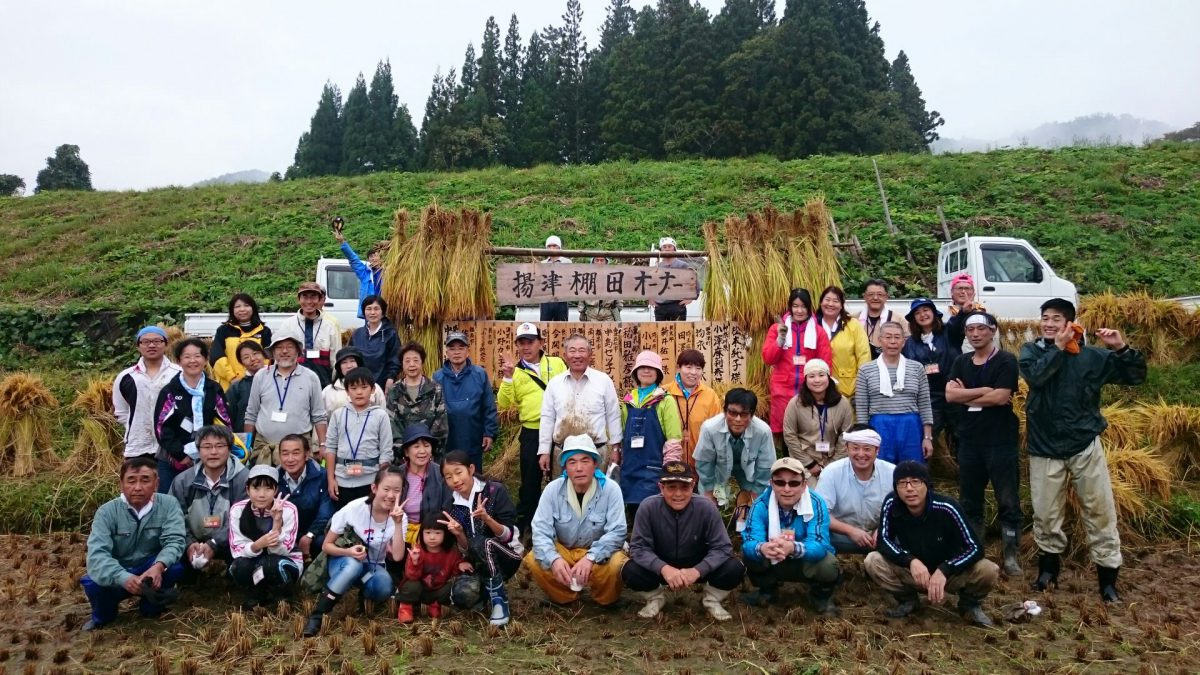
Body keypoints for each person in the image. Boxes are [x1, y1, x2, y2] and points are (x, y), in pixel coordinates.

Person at [1020, 298, 1146, 602]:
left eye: (1056, 319)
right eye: (1045, 318)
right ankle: (1048, 572)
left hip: (1084, 443)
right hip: (1044, 445)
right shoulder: (1031, 352)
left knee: (1100, 511)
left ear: (1071, 324)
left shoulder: (1092, 357)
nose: (1049, 324)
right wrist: (1059, 349)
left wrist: (1120, 348)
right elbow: (1036, 377)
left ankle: (1108, 580)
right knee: (1046, 514)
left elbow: (1135, 376)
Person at [865, 461, 997, 626]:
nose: (909, 488)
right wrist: (910, 561)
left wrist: (945, 569)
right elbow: (883, 540)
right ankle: (907, 600)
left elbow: (975, 548)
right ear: (896, 487)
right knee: (873, 560)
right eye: (902, 483)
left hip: (949, 575)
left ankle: (969, 605)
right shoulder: (892, 503)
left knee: (988, 570)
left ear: (926, 484)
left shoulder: (947, 507)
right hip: (914, 573)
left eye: (915, 481)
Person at [945, 312, 1022, 576]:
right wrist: (982, 392)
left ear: (992, 331)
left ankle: (1010, 555)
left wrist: (966, 395)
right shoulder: (961, 361)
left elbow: (1001, 397)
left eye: (981, 329)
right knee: (970, 500)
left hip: (1000, 441)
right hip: (969, 441)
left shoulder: (1006, 360)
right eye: (970, 330)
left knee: (1008, 499)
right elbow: (950, 394)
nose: (975, 334)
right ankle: (974, 552)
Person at [623, 461, 745, 621]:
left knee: (734, 568)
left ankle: (712, 600)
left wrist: (697, 570)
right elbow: (638, 548)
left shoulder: (707, 507)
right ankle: (655, 598)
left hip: (697, 563)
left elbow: (722, 547)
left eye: (684, 487)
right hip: (661, 565)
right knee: (629, 570)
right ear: (661, 487)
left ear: (693, 485)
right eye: (671, 487)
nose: (678, 494)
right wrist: (664, 569)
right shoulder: (648, 507)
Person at [81, 456, 186, 631]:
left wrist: (159, 566)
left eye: (145, 480)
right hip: (118, 571)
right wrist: (124, 577)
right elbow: (97, 556)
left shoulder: (168, 504)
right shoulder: (106, 512)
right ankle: (102, 616)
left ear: (156, 483)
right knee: (94, 583)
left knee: (174, 567)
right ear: (121, 484)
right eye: (131, 480)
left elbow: (175, 540)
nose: (138, 487)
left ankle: (152, 606)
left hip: (149, 568)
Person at [302, 466, 408, 637]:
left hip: (372, 567)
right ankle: (318, 614)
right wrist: (350, 552)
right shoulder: (354, 509)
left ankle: (362, 598)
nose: (390, 495)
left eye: (396, 490)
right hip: (342, 561)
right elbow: (326, 546)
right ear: (374, 488)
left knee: (384, 587)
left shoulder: (400, 517)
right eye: (386, 489)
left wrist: (397, 523)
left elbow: (397, 556)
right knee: (353, 566)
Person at [524, 435, 627, 608]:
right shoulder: (552, 490)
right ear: (564, 467)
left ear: (595, 464)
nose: (579, 468)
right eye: (572, 462)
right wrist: (554, 559)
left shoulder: (611, 489)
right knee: (535, 558)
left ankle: (605, 598)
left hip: (597, 555)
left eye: (585, 461)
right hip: (565, 552)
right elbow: (540, 531)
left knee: (617, 563)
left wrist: (590, 558)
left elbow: (617, 532)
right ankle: (564, 596)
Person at [740, 457, 840, 615]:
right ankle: (767, 591)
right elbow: (750, 540)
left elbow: (820, 543)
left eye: (793, 483)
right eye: (780, 483)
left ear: (804, 484)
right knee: (750, 554)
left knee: (828, 564)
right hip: (774, 557)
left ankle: (820, 597)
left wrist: (793, 547)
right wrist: (763, 547)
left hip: (805, 560)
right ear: (772, 484)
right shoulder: (760, 505)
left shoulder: (816, 503)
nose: (787, 489)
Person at [497, 322, 567, 536]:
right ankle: (527, 527)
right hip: (532, 432)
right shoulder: (515, 372)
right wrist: (508, 377)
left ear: (541, 343)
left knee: (563, 477)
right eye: (522, 343)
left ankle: (562, 525)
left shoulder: (556, 363)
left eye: (531, 342)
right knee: (530, 482)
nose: (526, 347)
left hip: (560, 429)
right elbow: (505, 402)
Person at [438, 450, 523, 626]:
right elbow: (465, 550)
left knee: (480, 541)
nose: (455, 480)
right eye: (448, 476)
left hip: (507, 555)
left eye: (458, 472)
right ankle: (485, 593)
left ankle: (499, 601)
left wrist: (487, 519)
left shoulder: (494, 491)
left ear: (470, 469)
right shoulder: (450, 506)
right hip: (479, 562)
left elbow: (508, 535)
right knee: (462, 595)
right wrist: (459, 533)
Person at [154, 338, 233, 491]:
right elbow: (161, 427)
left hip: (209, 457)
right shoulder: (170, 390)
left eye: (197, 356)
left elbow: (225, 422)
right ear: (179, 361)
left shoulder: (213, 389)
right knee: (170, 501)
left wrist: (213, 451)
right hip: (173, 459)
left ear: (205, 359)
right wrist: (180, 455)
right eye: (187, 357)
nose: (192, 361)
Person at [243, 324, 329, 465]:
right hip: (264, 447)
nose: (284, 351)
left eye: (289, 347)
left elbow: (319, 415)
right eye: (279, 347)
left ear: (297, 351)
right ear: (272, 352)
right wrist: (246, 446)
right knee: (265, 486)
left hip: (298, 449)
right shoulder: (261, 376)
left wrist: (323, 444)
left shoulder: (310, 377)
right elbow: (251, 413)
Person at [538, 334, 622, 475]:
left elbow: (613, 415)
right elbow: (547, 418)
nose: (577, 355)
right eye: (572, 351)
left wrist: (615, 448)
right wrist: (544, 451)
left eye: (582, 350)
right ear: (565, 355)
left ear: (590, 354)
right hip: (563, 453)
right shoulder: (555, 384)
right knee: (563, 494)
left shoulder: (603, 381)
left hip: (596, 453)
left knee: (596, 494)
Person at [169, 425, 249, 573]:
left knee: (244, 565)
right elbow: (173, 518)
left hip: (231, 541)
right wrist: (189, 544)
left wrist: (214, 543)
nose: (213, 452)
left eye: (220, 446)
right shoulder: (182, 481)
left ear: (230, 448)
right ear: (198, 450)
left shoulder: (244, 479)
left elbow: (243, 519)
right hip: (194, 541)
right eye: (207, 446)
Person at [854, 322, 934, 464]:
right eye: (888, 337)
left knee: (912, 470)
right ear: (880, 340)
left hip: (911, 426)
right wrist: (864, 438)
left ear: (904, 342)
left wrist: (927, 438)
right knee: (881, 470)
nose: (892, 342)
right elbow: (861, 407)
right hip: (879, 425)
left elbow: (925, 404)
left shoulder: (917, 368)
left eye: (897, 337)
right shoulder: (865, 370)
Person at [620, 351, 684, 523]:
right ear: (635, 372)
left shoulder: (665, 400)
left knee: (653, 514)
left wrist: (669, 469)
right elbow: (622, 433)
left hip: (654, 468)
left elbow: (673, 437)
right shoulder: (628, 401)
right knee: (633, 513)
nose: (646, 371)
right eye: (642, 367)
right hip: (631, 467)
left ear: (658, 373)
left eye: (651, 368)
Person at [762, 288, 833, 443]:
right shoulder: (777, 329)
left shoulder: (818, 332)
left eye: (803, 306)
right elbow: (768, 358)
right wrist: (780, 338)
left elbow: (825, 365)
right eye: (795, 306)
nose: (799, 310)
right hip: (782, 389)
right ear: (790, 307)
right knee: (785, 436)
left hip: (809, 391)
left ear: (809, 307)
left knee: (808, 434)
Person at [227, 465, 303, 610]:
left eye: (268, 488)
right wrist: (258, 545)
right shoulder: (237, 509)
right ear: (247, 489)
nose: (261, 494)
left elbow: (284, 550)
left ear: (275, 490)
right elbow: (236, 549)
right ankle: (256, 595)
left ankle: (283, 598)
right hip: (253, 559)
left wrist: (276, 522)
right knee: (239, 566)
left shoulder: (288, 509)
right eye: (256, 488)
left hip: (282, 560)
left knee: (271, 564)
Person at [813, 425, 895, 554]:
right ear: (847, 448)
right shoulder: (832, 472)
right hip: (842, 536)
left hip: (881, 534)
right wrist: (850, 531)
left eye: (867, 449)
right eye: (855, 448)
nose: (861, 454)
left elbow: (901, 509)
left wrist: (883, 529)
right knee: (817, 536)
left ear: (877, 450)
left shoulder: (892, 472)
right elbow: (820, 513)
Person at [694, 388, 775, 516]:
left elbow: (766, 466)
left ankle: (745, 526)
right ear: (725, 411)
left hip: (748, 470)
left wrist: (755, 494)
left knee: (757, 505)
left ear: (752, 414)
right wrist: (709, 491)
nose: (737, 419)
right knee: (707, 506)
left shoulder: (763, 431)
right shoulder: (710, 428)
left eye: (743, 414)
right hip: (718, 467)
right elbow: (704, 462)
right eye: (732, 413)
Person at [326, 367, 394, 508]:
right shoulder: (338, 415)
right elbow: (331, 448)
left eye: (364, 387)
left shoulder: (381, 415)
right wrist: (331, 479)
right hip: (342, 480)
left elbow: (386, 451)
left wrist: (381, 483)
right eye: (353, 388)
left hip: (370, 480)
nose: (359, 392)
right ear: (347, 391)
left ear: (373, 389)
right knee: (344, 524)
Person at [434, 331, 498, 471]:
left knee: (473, 478)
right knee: (448, 478)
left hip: (473, 438)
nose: (456, 352)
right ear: (447, 352)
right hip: (446, 440)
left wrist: (489, 433)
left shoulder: (479, 374)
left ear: (468, 351)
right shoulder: (437, 377)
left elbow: (488, 406)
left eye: (461, 348)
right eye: (452, 348)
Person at [902, 298, 960, 452]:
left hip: (955, 394)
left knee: (960, 438)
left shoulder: (949, 332)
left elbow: (960, 321)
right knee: (926, 439)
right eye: (917, 313)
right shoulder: (910, 343)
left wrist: (965, 310)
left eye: (926, 310)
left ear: (934, 313)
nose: (922, 315)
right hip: (929, 398)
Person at [114, 326, 181, 459]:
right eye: (145, 342)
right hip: (138, 445)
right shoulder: (126, 377)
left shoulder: (179, 374)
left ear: (166, 345)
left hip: (173, 446)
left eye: (157, 341)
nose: (151, 345)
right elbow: (121, 412)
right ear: (138, 346)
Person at [782, 359, 854, 483]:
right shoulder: (795, 403)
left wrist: (833, 464)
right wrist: (809, 464)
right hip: (803, 462)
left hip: (834, 460)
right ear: (806, 379)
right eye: (811, 376)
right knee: (812, 495)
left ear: (828, 377)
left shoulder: (842, 403)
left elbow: (846, 435)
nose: (817, 380)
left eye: (821, 375)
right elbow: (789, 435)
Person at [397, 516, 473, 623]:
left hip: (437, 589)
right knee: (412, 584)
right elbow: (411, 576)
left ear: (445, 534)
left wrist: (461, 564)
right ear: (422, 534)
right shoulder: (417, 550)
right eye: (428, 533)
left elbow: (455, 566)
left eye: (437, 533)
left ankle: (434, 605)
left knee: (451, 587)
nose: (432, 537)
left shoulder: (451, 552)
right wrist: (414, 562)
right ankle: (405, 607)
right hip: (420, 590)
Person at [275, 434, 333, 560]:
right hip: (284, 534)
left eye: (296, 453)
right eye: (285, 454)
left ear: (306, 455)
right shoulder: (273, 478)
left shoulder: (322, 476)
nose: (290, 459)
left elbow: (325, 514)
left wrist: (309, 536)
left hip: (314, 533)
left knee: (323, 542)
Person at [388, 342, 449, 459]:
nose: (412, 364)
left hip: (431, 456)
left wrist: (426, 450)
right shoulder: (394, 391)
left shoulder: (435, 388)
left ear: (422, 362)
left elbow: (441, 424)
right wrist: (405, 452)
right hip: (402, 458)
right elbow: (392, 424)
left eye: (416, 360)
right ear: (402, 364)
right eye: (407, 361)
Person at [664, 349, 723, 470]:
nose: (693, 372)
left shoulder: (710, 395)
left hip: (702, 466)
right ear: (678, 368)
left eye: (698, 368)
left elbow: (718, 431)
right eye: (688, 367)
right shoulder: (664, 393)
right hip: (671, 465)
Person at [394, 423, 453, 545]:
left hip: (433, 535)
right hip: (399, 531)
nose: (422, 451)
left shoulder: (441, 474)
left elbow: (447, 508)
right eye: (416, 446)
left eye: (426, 446)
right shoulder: (396, 475)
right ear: (406, 452)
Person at [817, 286, 872, 401]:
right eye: (827, 300)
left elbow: (864, 355)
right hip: (818, 389)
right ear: (821, 302)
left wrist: (861, 386)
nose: (830, 304)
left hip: (848, 389)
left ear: (841, 305)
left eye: (836, 301)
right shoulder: (812, 325)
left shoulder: (853, 324)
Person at [209, 293, 273, 390]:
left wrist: (257, 377)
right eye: (237, 306)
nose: (242, 309)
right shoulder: (223, 330)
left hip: (258, 385)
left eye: (246, 305)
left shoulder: (264, 331)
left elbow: (268, 358)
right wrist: (232, 377)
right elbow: (216, 357)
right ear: (232, 310)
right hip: (228, 386)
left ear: (253, 308)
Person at [291, 281, 342, 389]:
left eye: (313, 297)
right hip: (293, 383)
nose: (309, 301)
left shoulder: (329, 326)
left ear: (320, 299)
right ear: (298, 299)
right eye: (305, 297)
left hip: (323, 383)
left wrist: (334, 383)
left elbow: (336, 357)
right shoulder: (288, 325)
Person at [333, 223, 388, 319]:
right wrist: (342, 241)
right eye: (371, 256)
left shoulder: (388, 272)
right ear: (368, 260)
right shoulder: (365, 272)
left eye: (376, 255)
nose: (374, 258)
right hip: (371, 311)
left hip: (385, 310)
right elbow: (353, 259)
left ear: (380, 257)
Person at [349, 294, 401, 391]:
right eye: (369, 309)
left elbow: (395, 359)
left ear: (383, 312)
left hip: (382, 384)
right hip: (359, 384)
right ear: (364, 312)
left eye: (376, 309)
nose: (372, 312)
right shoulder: (357, 334)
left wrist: (391, 378)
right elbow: (350, 358)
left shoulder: (390, 334)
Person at [322, 347, 386, 415]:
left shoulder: (374, 387)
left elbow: (383, 414)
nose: (349, 366)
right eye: (344, 362)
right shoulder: (328, 391)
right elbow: (321, 418)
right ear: (339, 367)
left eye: (352, 361)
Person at [858, 279, 908, 359]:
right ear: (864, 297)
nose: (875, 298)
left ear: (886, 297)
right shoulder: (854, 319)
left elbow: (908, 345)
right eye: (871, 294)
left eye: (880, 294)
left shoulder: (899, 320)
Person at [226, 341, 267, 432]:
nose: (252, 359)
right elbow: (228, 416)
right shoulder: (237, 387)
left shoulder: (278, 380)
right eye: (246, 357)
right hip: (246, 438)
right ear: (241, 363)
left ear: (263, 354)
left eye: (255, 353)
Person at [651, 237, 691, 322]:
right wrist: (650, 298)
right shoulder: (657, 267)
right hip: (660, 306)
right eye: (664, 247)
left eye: (670, 246)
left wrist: (690, 298)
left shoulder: (683, 266)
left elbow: (693, 282)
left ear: (674, 249)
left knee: (679, 332)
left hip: (677, 305)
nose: (667, 249)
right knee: (661, 333)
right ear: (660, 250)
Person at [943, 273, 987, 352]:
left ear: (973, 292)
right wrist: (963, 312)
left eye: (967, 288)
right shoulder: (943, 313)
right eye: (959, 288)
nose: (963, 292)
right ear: (952, 292)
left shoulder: (983, 312)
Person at [578, 255, 622, 321]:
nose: (599, 263)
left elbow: (618, 300)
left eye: (602, 260)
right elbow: (582, 298)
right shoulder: (586, 278)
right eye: (597, 260)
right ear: (592, 262)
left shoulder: (613, 278)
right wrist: (582, 312)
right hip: (591, 316)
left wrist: (617, 309)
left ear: (606, 263)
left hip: (608, 317)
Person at [539, 235, 572, 321]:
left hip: (562, 299)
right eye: (549, 246)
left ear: (559, 247)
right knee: (545, 324)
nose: (552, 248)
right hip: (546, 299)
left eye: (554, 246)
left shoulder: (567, 262)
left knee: (562, 324)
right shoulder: (542, 263)